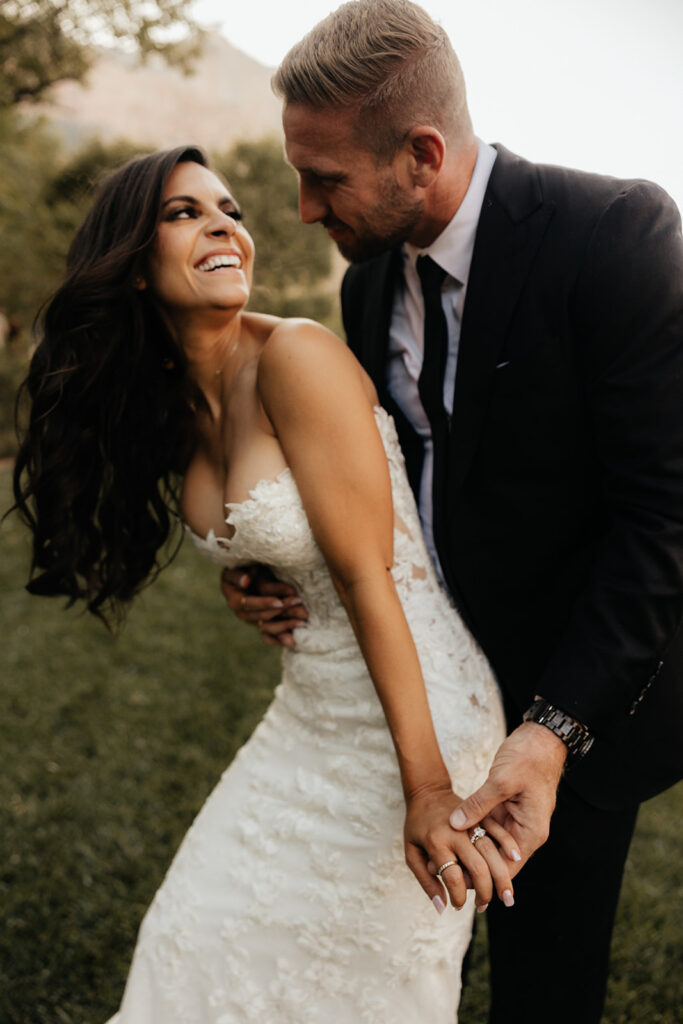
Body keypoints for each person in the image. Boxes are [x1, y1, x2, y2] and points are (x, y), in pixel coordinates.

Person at [220, 2, 683, 1021]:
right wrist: (283, 569)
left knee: (539, 977)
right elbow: (386, 479)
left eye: (324, 178)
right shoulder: (367, 274)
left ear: (420, 154)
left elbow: (661, 520)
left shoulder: (614, 237)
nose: (301, 209)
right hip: (428, 682)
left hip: (578, 686)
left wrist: (551, 731)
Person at [12, 145, 523, 1021]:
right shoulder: (174, 403)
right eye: (183, 213)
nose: (222, 225)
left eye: (229, 211)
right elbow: (272, 533)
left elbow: (372, 580)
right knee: (194, 936)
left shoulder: (297, 356)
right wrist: (243, 579)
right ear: (133, 268)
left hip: (417, 714)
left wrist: (428, 788)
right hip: (309, 711)